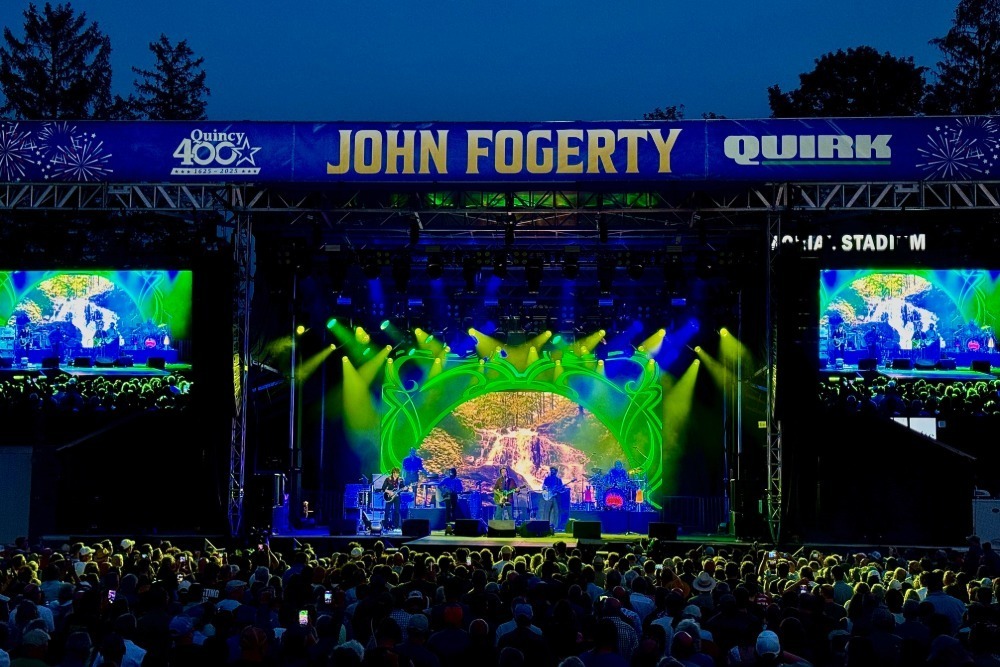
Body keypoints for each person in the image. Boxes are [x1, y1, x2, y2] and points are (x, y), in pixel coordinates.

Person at [540, 467, 566, 532]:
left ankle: (555, 527)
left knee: (556, 512)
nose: (552, 472)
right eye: (551, 470)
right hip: (548, 497)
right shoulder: (547, 479)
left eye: (553, 470)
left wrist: (562, 489)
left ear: (556, 472)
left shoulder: (558, 480)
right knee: (547, 511)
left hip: (555, 497)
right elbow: (543, 486)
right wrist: (546, 489)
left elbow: (561, 489)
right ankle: (545, 526)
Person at [381, 467, 404, 531]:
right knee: (387, 511)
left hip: (397, 496)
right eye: (397, 473)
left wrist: (406, 488)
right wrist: (389, 492)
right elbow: (383, 488)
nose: (398, 474)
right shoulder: (388, 479)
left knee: (397, 511)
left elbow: (402, 487)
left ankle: (396, 526)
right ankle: (386, 526)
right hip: (389, 497)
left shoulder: (400, 479)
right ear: (393, 473)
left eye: (398, 473)